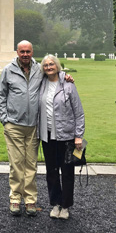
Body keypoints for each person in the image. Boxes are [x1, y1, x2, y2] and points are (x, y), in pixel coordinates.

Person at [0, 41, 73, 217]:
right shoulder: (9, 70)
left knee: (31, 165)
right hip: (14, 125)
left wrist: (66, 77)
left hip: (34, 127)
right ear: (17, 52)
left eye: (28, 51)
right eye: (22, 51)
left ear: (32, 52)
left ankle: (30, 200)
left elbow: (54, 75)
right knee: (16, 164)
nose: (25, 54)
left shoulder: (39, 69)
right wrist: (5, 120)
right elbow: (1, 96)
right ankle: (15, 198)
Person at [38, 54, 85, 220]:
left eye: (52, 64)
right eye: (46, 65)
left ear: (57, 66)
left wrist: (78, 136)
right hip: (48, 135)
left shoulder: (68, 86)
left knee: (67, 171)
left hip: (66, 136)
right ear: (43, 68)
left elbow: (78, 113)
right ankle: (55, 204)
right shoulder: (41, 84)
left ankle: (65, 206)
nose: (49, 67)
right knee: (51, 171)